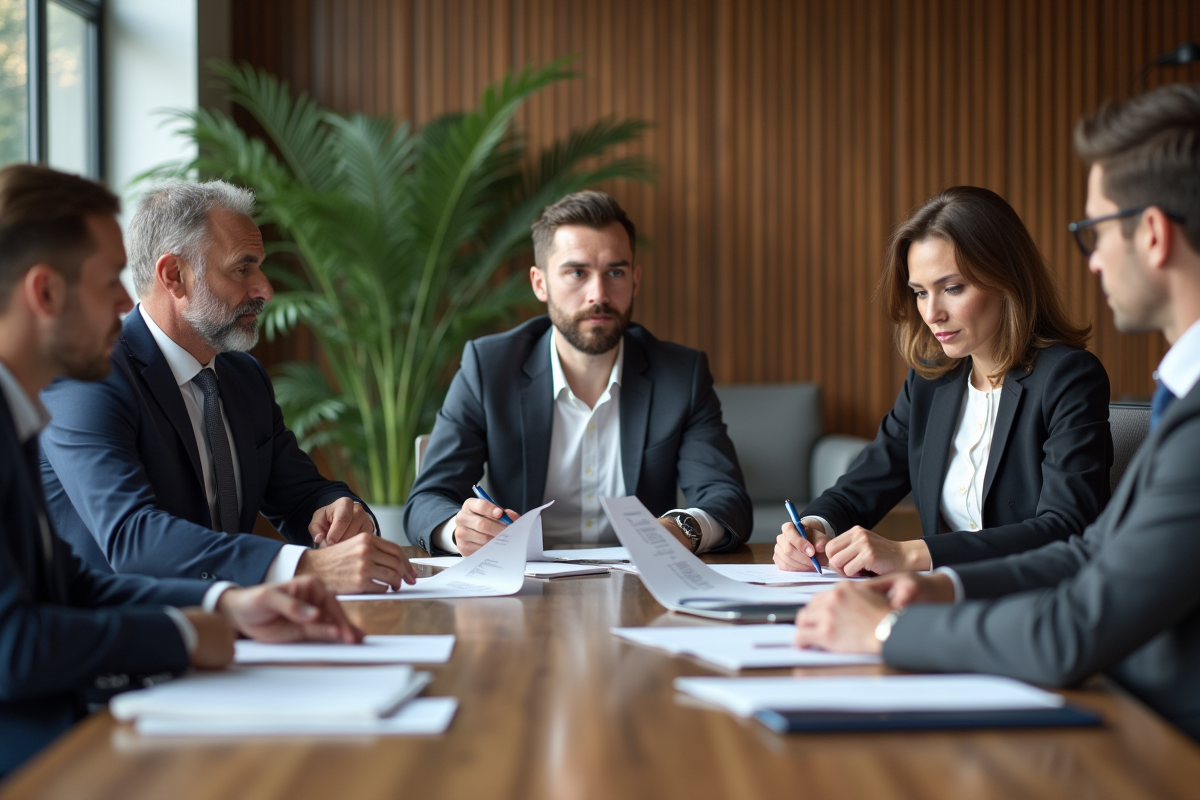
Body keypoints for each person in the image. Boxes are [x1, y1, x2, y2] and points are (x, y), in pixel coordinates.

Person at [793, 83, 1200, 741]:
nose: (1091, 260)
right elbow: (1093, 552)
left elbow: (1073, 596)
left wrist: (895, 620)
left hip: (1147, 731)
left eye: (1094, 231)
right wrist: (941, 588)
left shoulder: (1116, 392)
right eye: (922, 292)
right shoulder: (1179, 396)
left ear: (1151, 234)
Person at [0, 164, 362, 773]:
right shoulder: (78, 389)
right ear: (45, 293)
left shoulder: (18, 416)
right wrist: (192, 633)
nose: (124, 300)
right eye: (107, 280)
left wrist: (225, 607)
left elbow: (72, 588)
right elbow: (14, 646)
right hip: (53, 753)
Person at [39, 180, 418, 593]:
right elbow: (133, 539)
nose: (265, 289)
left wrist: (342, 514)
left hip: (235, 632)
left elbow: (301, 494)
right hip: (120, 645)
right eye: (242, 268)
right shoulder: (86, 375)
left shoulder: (243, 377)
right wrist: (302, 568)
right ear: (174, 276)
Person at [774, 186, 1112, 576]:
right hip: (943, 602)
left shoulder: (1069, 377)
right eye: (920, 292)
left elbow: (1066, 528)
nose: (931, 313)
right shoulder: (930, 381)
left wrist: (912, 554)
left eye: (952, 288)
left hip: (1036, 605)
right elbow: (859, 488)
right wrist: (814, 528)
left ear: (1007, 281)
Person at [404, 191, 752, 556]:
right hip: (524, 588)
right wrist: (459, 530)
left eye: (614, 272)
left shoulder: (680, 375)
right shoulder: (489, 368)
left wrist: (680, 528)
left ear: (635, 280)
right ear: (540, 283)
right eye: (577, 272)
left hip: (641, 587)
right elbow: (428, 499)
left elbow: (727, 497)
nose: (598, 294)